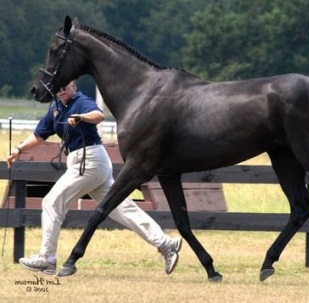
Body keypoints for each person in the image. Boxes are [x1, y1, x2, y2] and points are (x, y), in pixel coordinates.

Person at [6, 81, 182, 275]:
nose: (61, 90)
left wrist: (81, 117)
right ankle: (166, 244)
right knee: (122, 208)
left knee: (52, 202)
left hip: (88, 160)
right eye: (58, 87)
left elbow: (99, 115)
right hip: (88, 162)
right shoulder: (55, 108)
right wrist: (18, 149)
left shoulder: (81, 101)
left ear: (73, 84)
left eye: (65, 86)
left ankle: (47, 258)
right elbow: (39, 135)